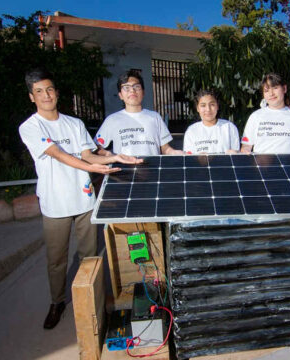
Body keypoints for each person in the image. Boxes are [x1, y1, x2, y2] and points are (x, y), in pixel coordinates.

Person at [18, 69, 141, 330]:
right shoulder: (30, 127)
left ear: (57, 93)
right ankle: (57, 302)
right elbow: (58, 154)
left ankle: (94, 301)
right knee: (57, 259)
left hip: (85, 200)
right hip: (55, 204)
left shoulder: (74, 124)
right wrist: (93, 168)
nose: (46, 95)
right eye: (39, 91)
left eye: (50, 89)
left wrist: (113, 158)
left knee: (90, 257)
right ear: (32, 97)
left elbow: (89, 155)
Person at [94, 70, 183, 156]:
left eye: (136, 86)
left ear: (143, 92)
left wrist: (174, 152)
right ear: (120, 95)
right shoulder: (112, 120)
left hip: (151, 169)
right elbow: (96, 147)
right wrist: (108, 154)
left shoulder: (155, 117)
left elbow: (165, 148)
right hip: (125, 170)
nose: (132, 91)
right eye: (126, 88)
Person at [240, 73, 290, 154]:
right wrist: (245, 152)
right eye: (266, 91)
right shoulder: (255, 116)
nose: (271, 94)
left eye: (275, 88)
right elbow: (246, 147)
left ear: (284, 89)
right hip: (262, 166)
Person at [183, 89, 240, 154]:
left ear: (217, 106)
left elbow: (236, 156)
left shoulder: (229, 127)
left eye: (212, 104)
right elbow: (189, 158)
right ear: (198, 108)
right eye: (203, 105)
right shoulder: (191, 131)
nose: (208, 109)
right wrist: (199, 159)